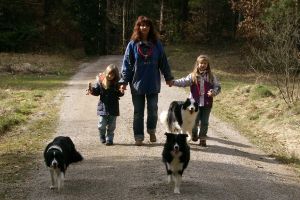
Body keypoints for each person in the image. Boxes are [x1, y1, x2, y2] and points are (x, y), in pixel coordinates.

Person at [119, 16, 173, 146]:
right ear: (138, 27)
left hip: (153, 83)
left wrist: (168, 77)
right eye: (142, 25)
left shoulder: (157, 44)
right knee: (138, 112)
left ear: (150, 28)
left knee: (153, 109)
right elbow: (127, 64)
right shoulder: (132, 44)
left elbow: (163, 62)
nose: (144, 27)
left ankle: (151, 130)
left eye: (147, 25)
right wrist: (123, 82)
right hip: (137, 84)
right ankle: (138, 136)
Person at [170, 55, 221, 147]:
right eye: (201, 63)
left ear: (208, 65)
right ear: (197, 64)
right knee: (195, 121)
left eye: (205, 63)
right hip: (194, 104)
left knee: (204, 122)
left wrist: (213, 92)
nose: (203, 65)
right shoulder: (193, 76)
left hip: (207, 103)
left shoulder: (211, 76)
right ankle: (194, 134)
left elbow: (217, 86)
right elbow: (183, 81)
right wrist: (173, 82)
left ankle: (202, 139)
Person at [87, 64, 124, 146]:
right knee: (101, 125)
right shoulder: (101, 82)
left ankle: (109, 139)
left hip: (113, 108)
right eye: (109, 73)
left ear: (115, 75)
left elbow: (119, 94)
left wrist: (121, 91)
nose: (110, 76)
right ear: (106, 72)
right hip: (103, 108)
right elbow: (96, 92)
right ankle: (102, 135)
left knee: (111, 126)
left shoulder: (116, 84)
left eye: (113, 74)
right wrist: (91, 90)